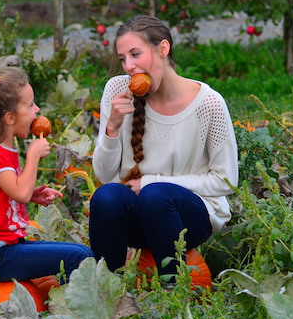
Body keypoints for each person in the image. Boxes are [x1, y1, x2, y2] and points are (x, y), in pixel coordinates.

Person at [89, 15, 238, 278]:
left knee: (155, 195)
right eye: (123, 58)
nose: (129, 66)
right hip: (137, 216)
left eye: (136, 54)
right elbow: (104, 176)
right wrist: (112, 128)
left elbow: (226, 181)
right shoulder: (117, 90)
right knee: (105, 197)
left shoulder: (209, 104)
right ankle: (107, 287)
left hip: (189, 218)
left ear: (163, 49)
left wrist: (150, 181)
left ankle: (173, 291)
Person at [0, 66, 93, 283]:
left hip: (7, 247)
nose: (37, 109)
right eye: (31, 105)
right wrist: (33, 157)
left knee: (82, 252)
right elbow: (19, 193)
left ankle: (61, 298)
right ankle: (70, 309)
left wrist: (32, 195)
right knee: (78, 258)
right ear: (10, 118)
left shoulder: (5, 149)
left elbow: (12, 191)